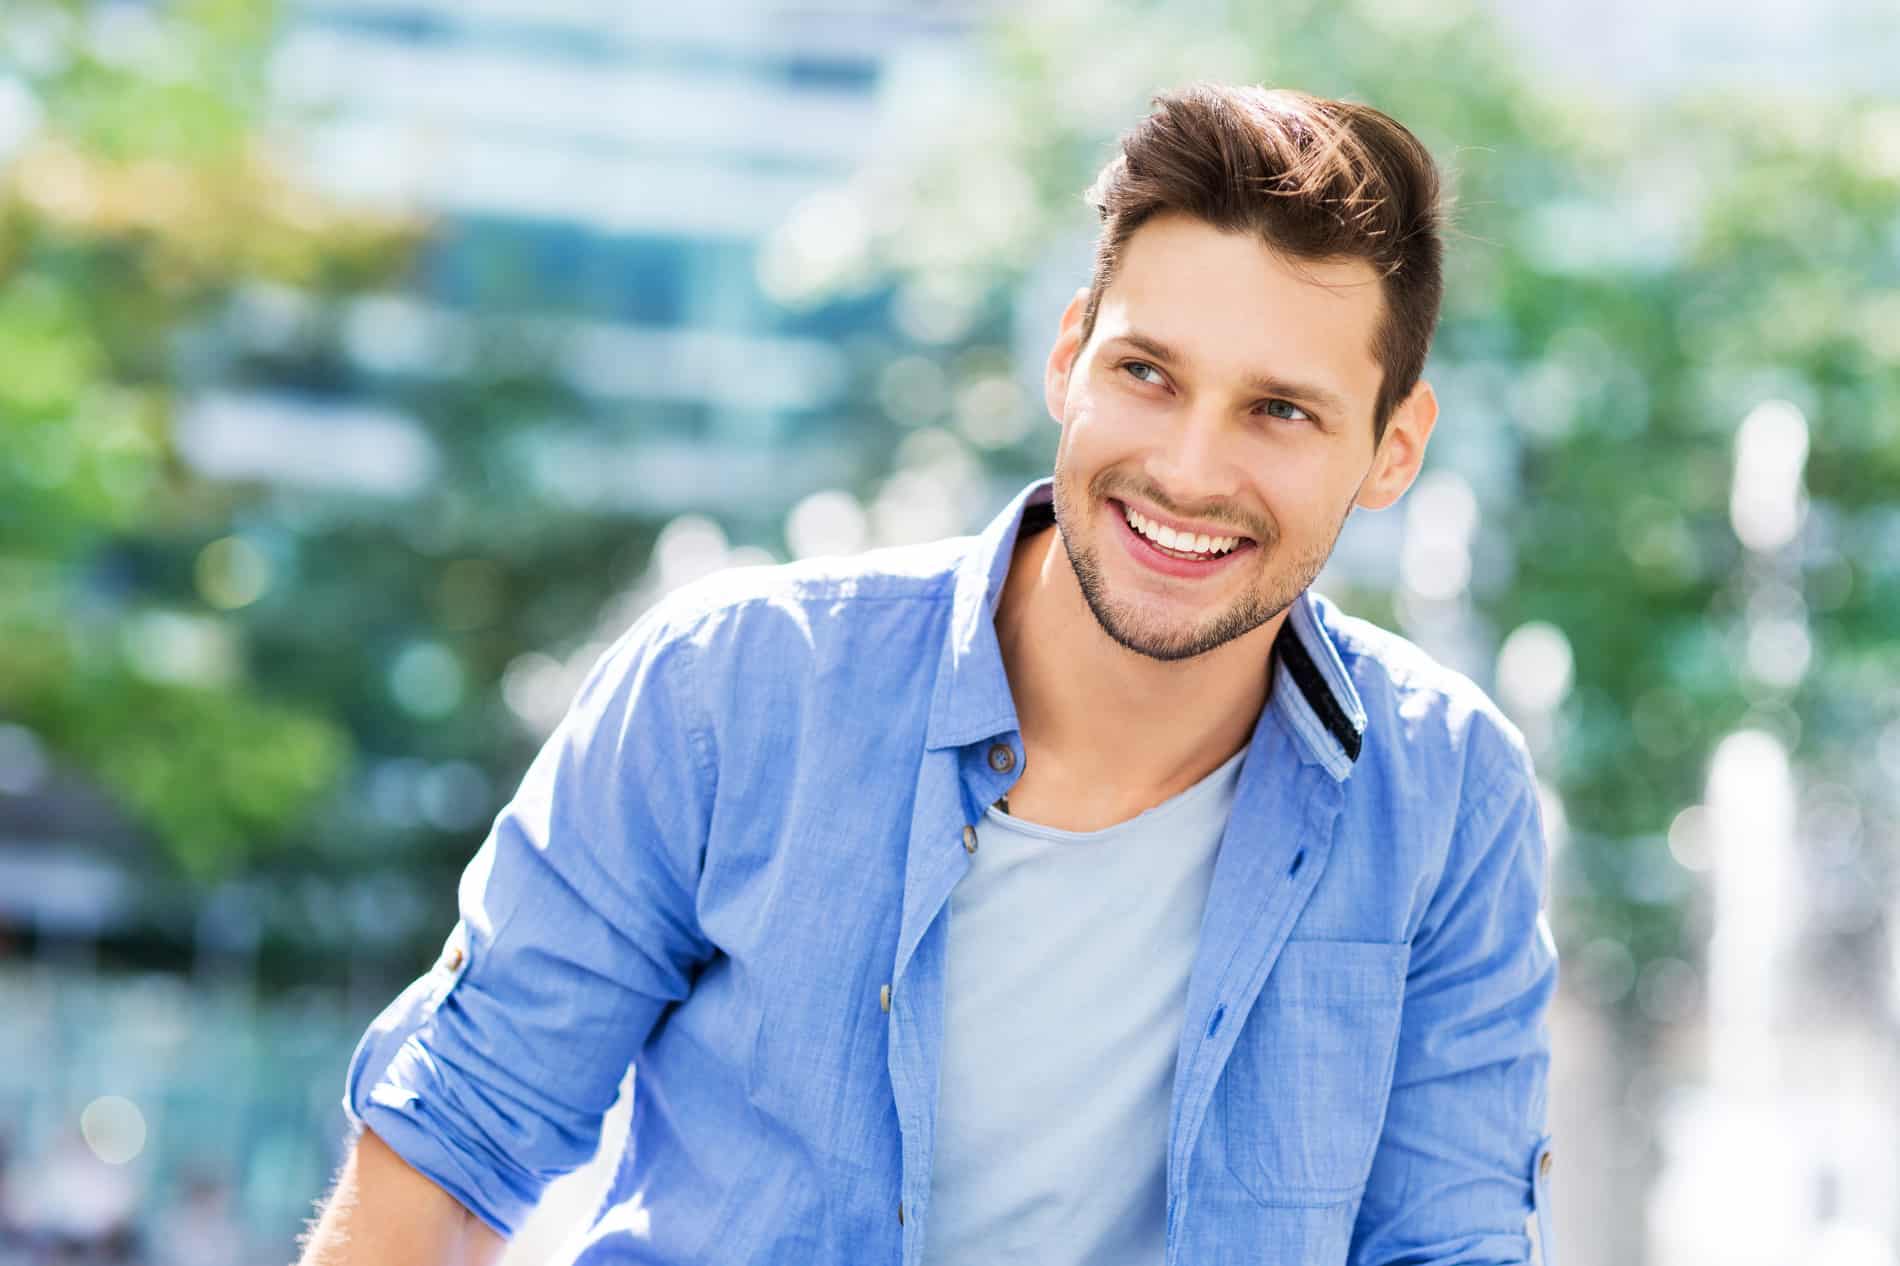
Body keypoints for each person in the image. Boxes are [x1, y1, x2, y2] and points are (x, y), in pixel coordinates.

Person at [297, 82, 1559, 1266]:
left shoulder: (1446, 795)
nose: (1187, 468)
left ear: (1393, 449)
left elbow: (1444, 1243)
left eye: (1279, 410)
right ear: (1069, 356)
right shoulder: (730, 689)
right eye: (1146, 373)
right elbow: (445, 1160)